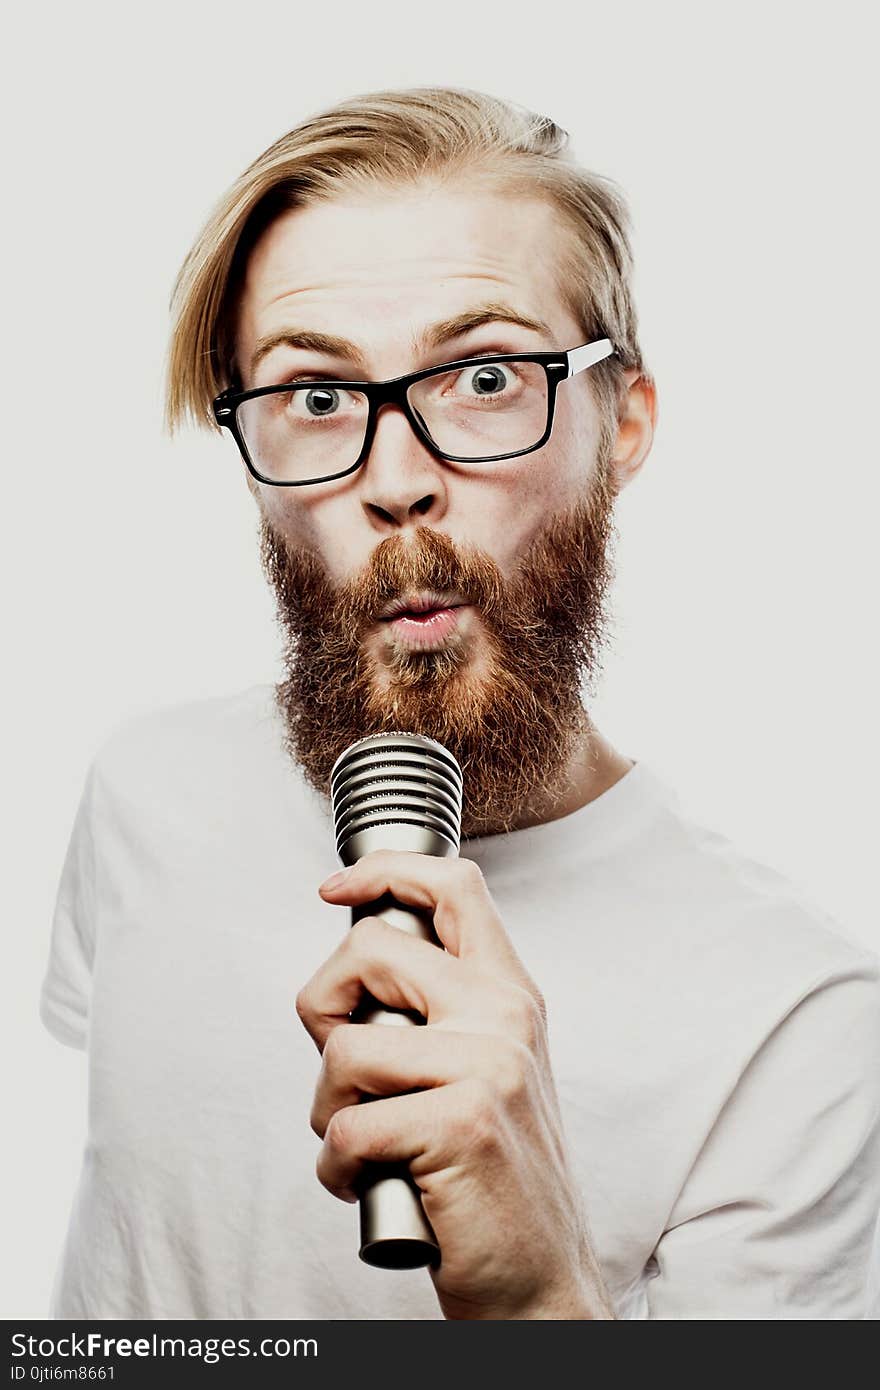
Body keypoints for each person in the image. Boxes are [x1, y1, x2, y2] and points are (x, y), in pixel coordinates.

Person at [42, 85, 880, 1321]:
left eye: (483, 375)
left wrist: (541, 1288)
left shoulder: (797, 1028)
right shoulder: (142, 790)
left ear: (623, 420)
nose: (393, 481)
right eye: (316, 396)